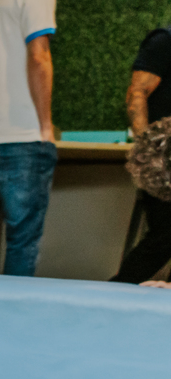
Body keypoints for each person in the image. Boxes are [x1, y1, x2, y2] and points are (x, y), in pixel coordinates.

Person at [0, 0, 57, 277]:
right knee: (22, 242)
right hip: (21, 134)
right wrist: (45, 126)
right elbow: (38, 55)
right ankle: (13, 318)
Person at [111, 25, 171, 284]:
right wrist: (148, 151)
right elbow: (137, 92)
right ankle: (115, 295)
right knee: (165, 235)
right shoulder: (165, 40)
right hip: (163, 154)